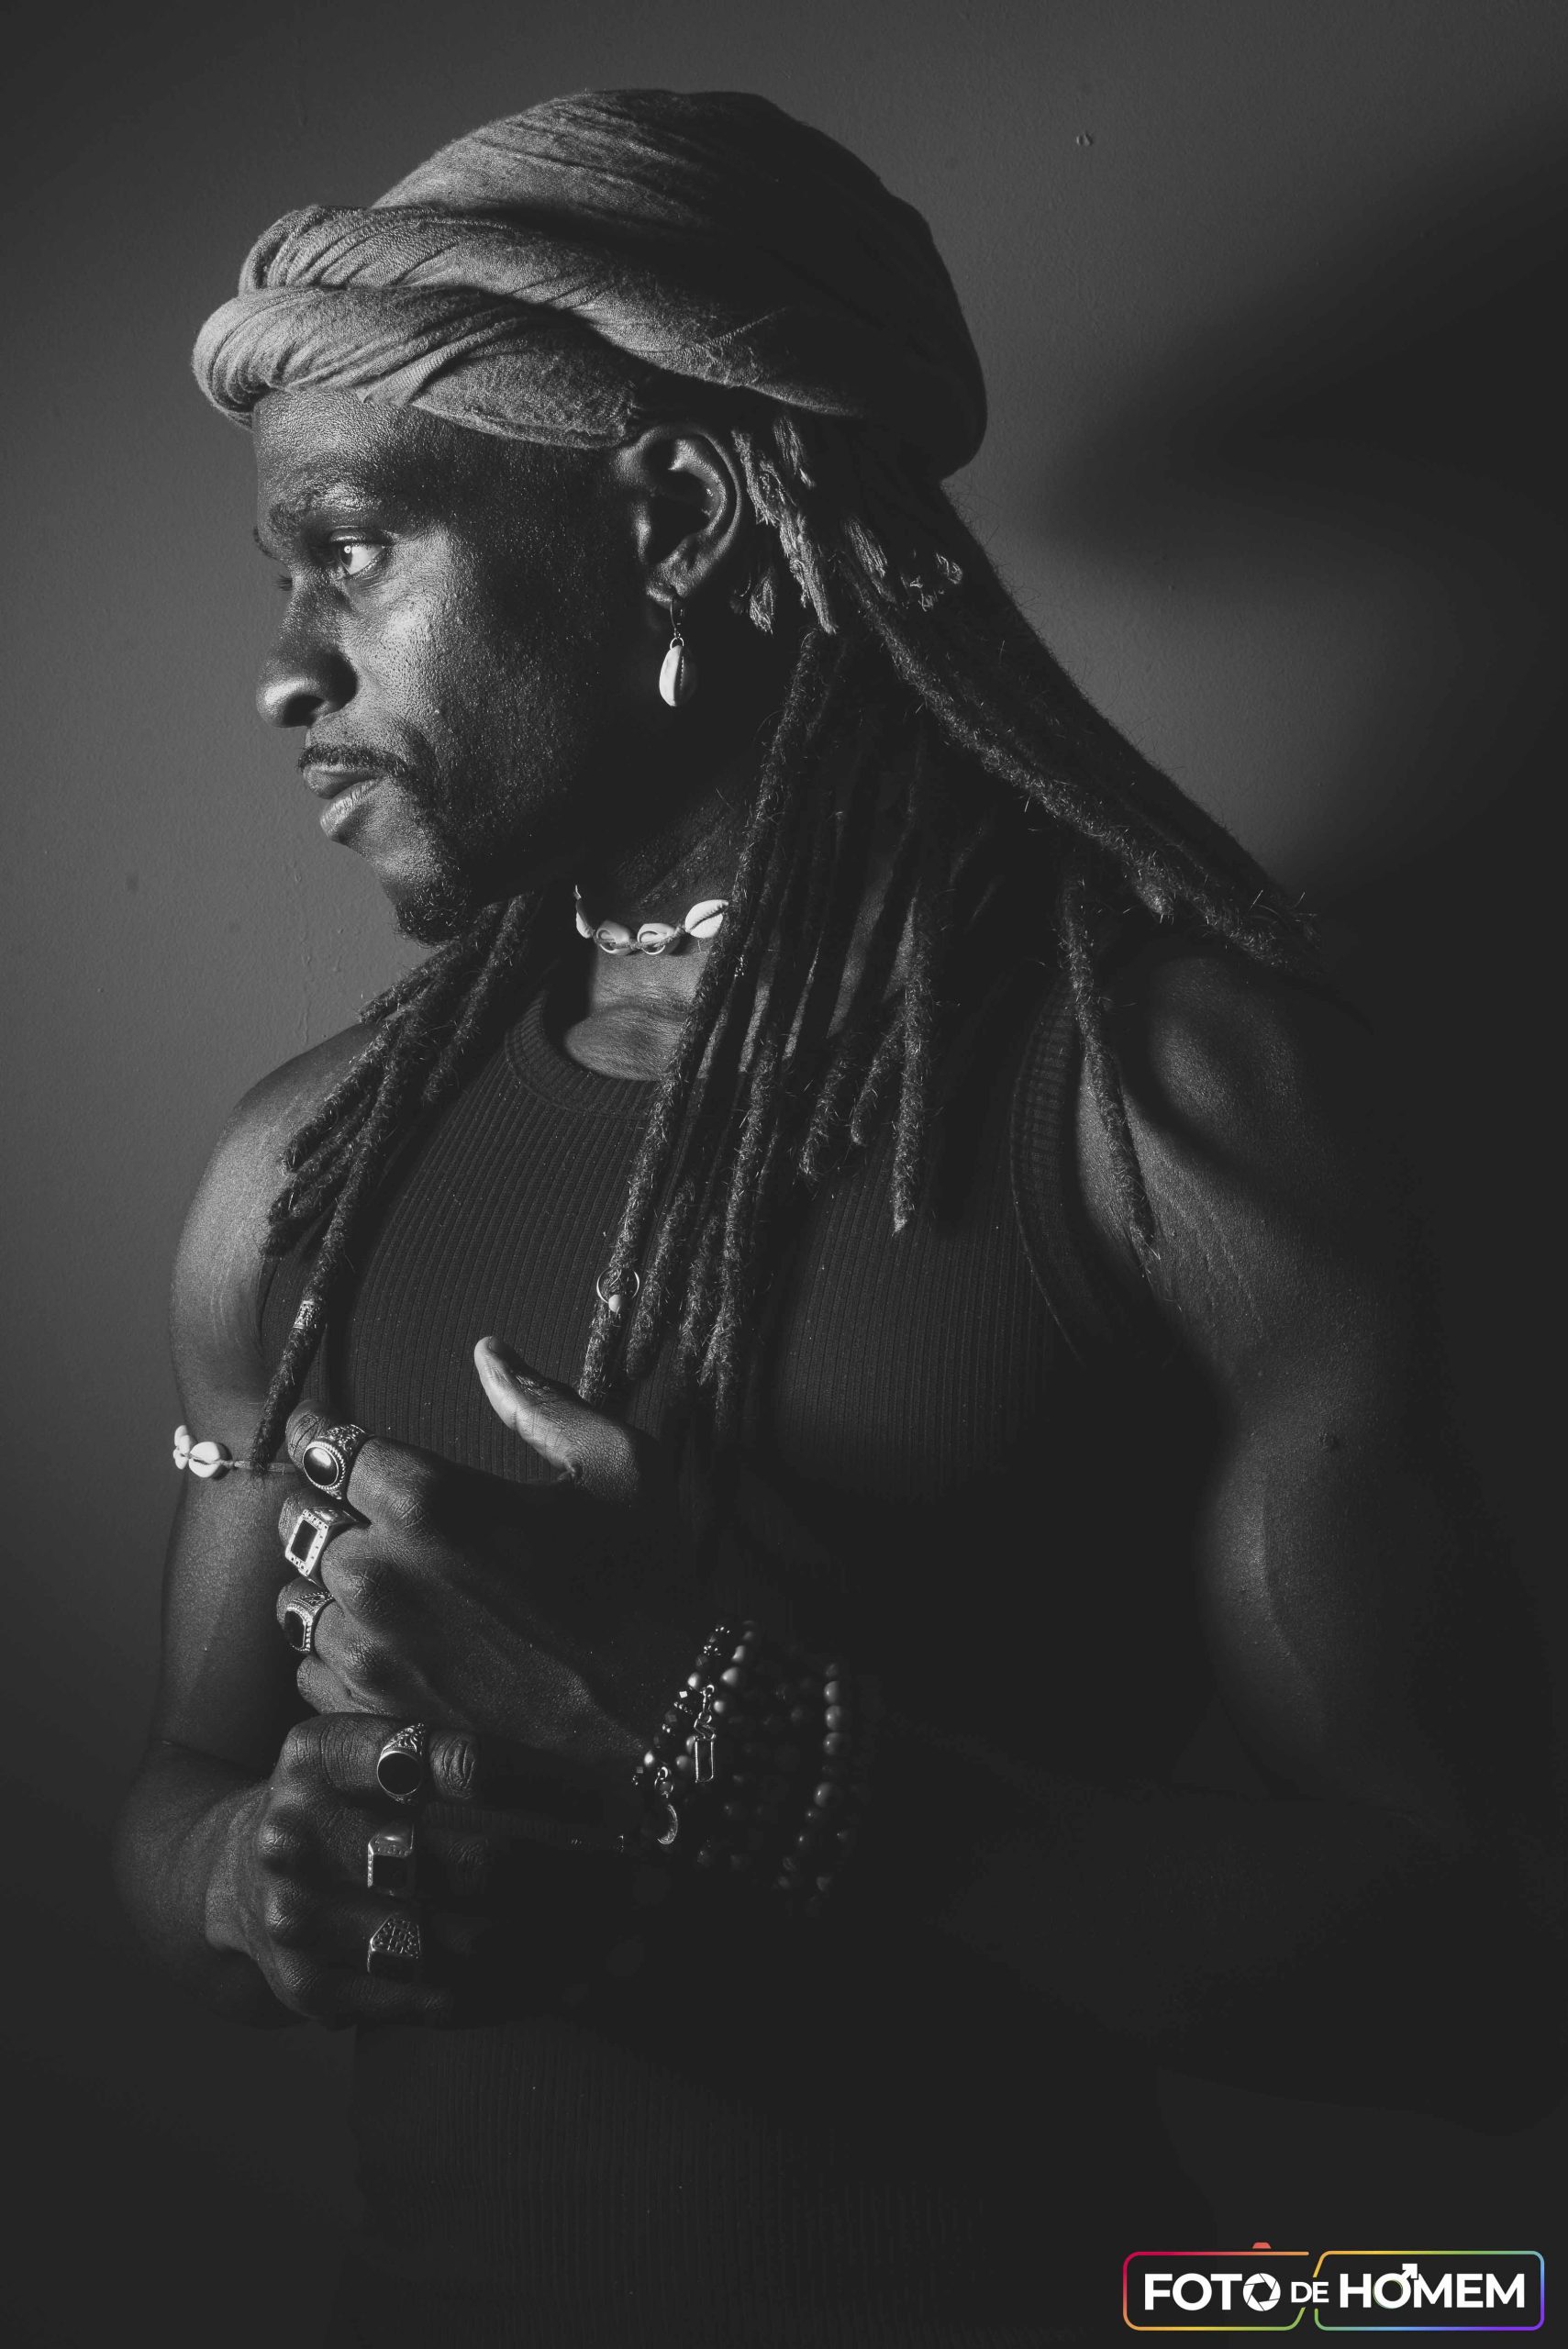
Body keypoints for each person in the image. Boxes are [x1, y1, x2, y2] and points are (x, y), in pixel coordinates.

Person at [113, 88, 1560, 2348]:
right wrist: (252, 1874)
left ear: (680, 519)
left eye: (355, 547)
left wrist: (713, 1708)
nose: (286, 661)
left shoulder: (1171, 1105)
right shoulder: (299, 1170)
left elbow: (1482, 1992)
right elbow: (179, 1799)